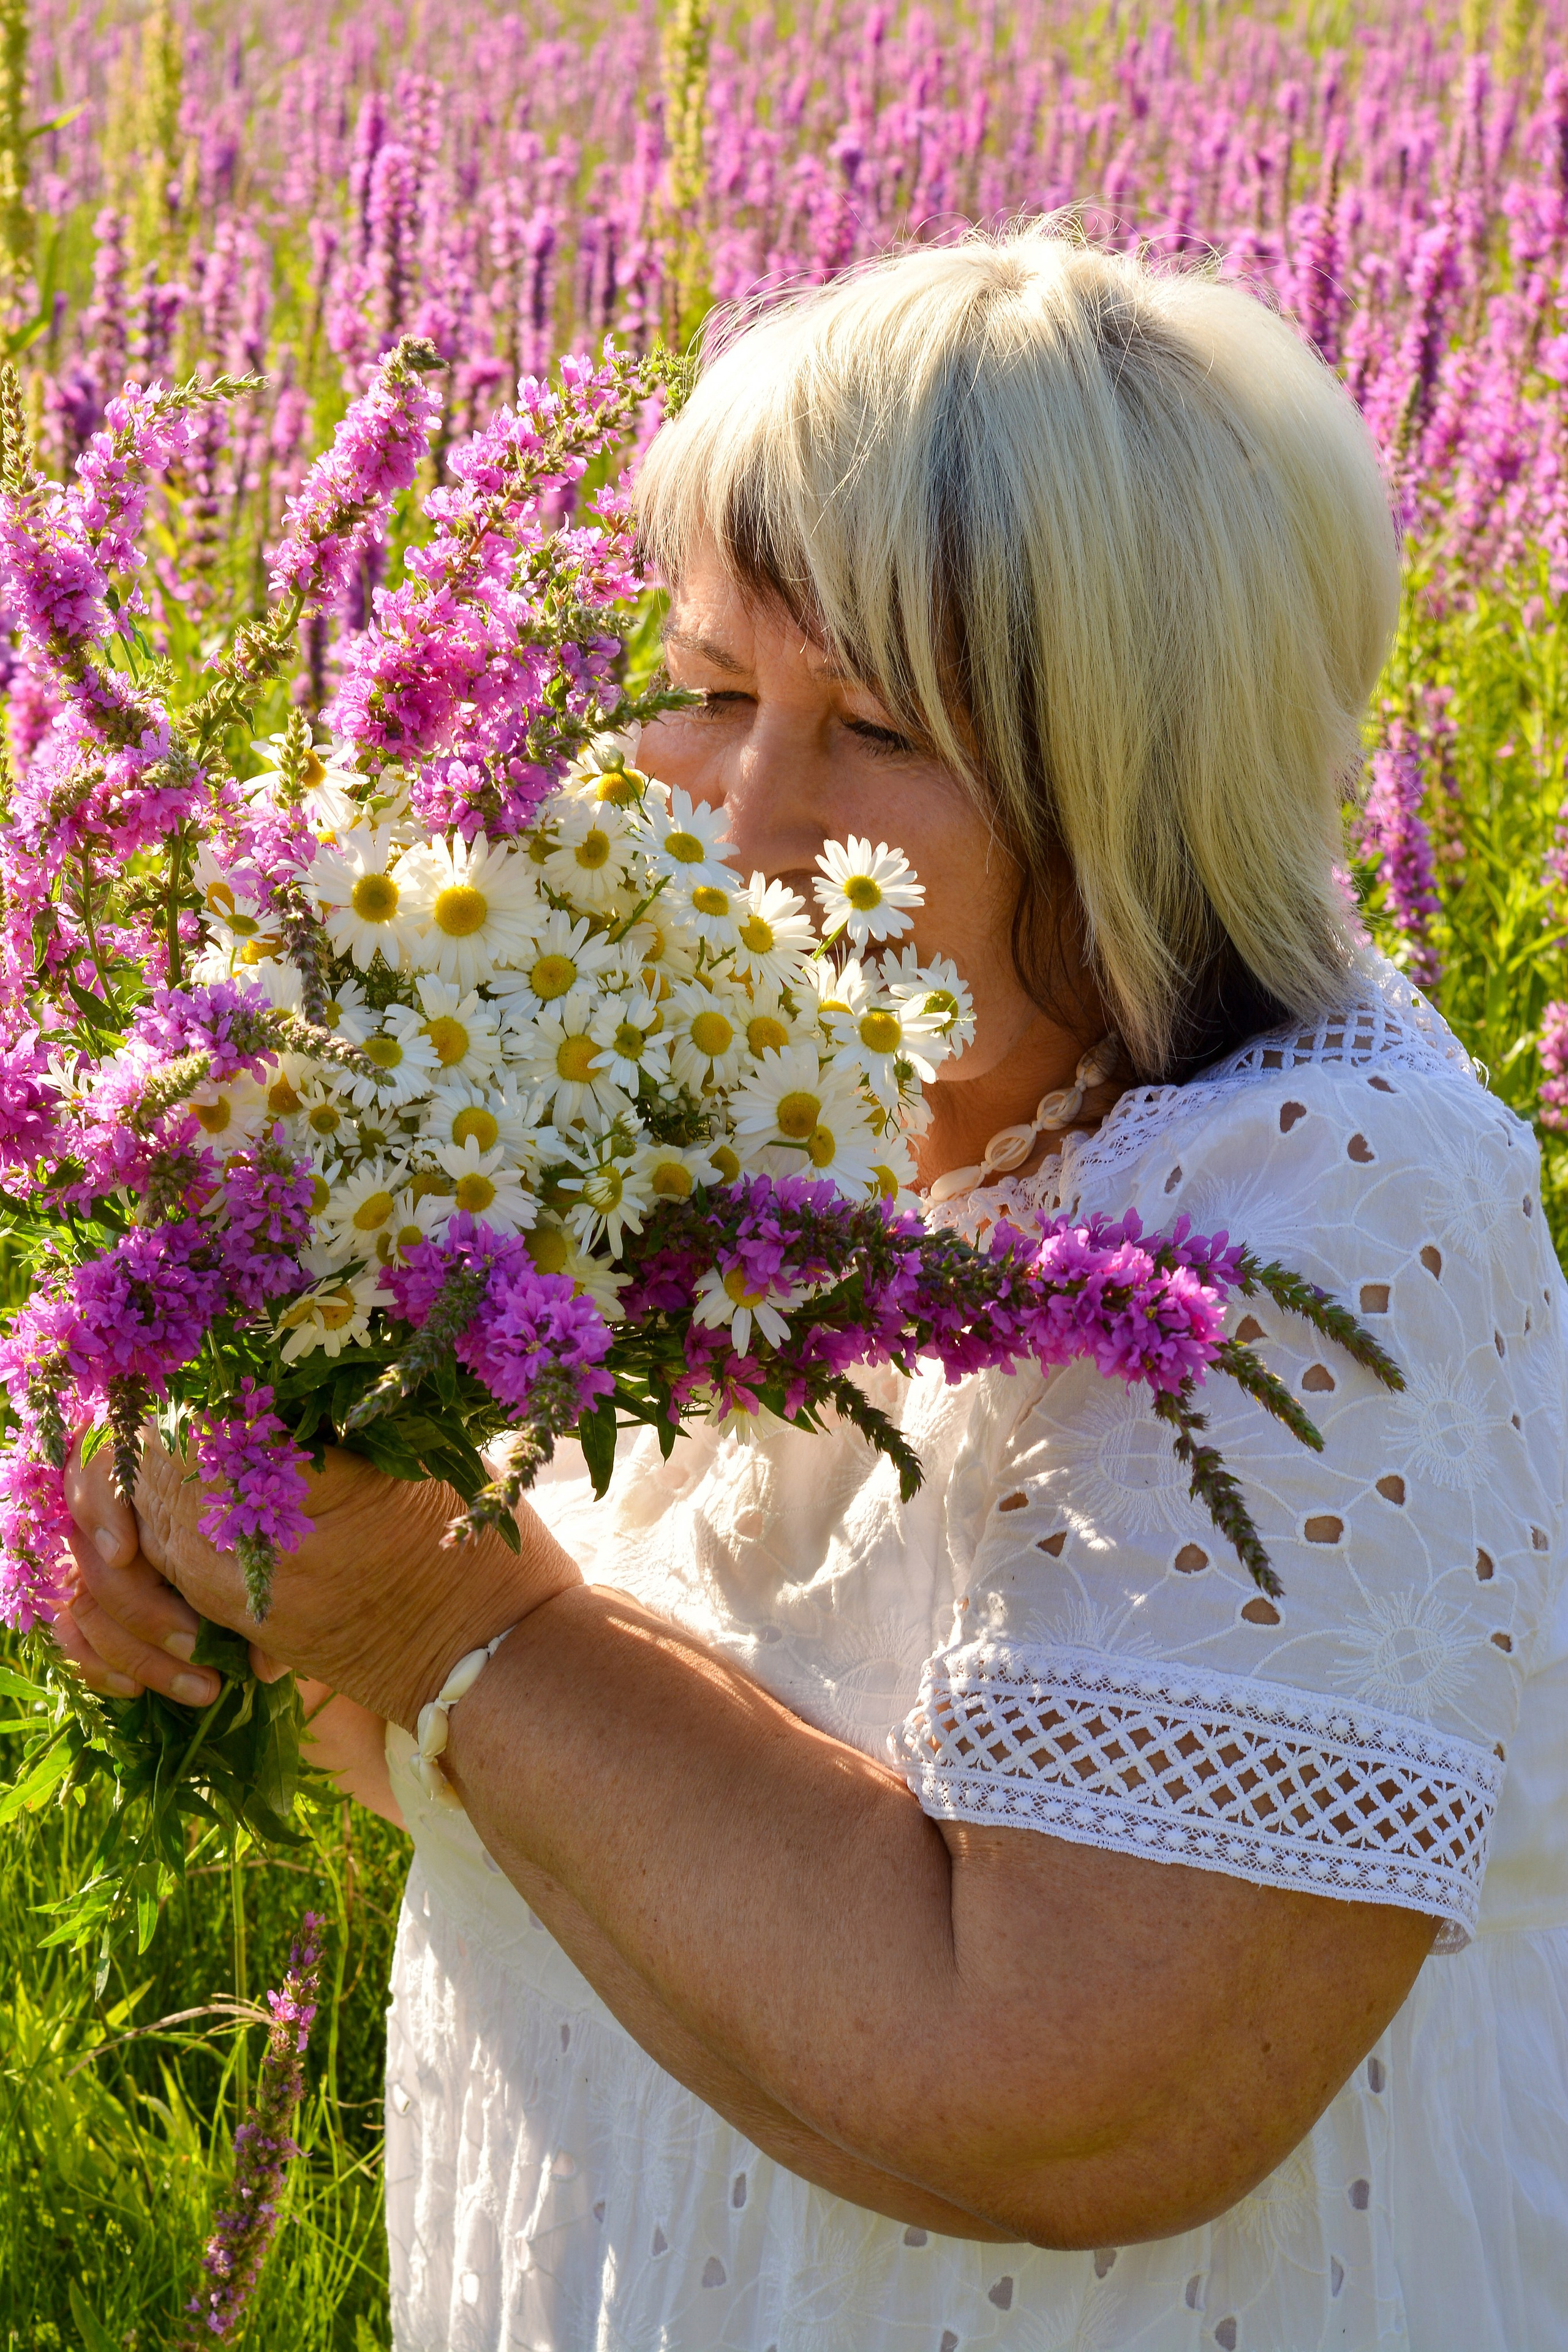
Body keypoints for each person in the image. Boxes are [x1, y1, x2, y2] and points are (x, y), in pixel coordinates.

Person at [58, 226, 1566, 2352]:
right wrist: (240, 1578)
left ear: (1144, 758)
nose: (751, 816)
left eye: (871, 726)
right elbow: (543, 1785)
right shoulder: (738, 1099)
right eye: (704, 690)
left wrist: (429, 1608)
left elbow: (1069, 2103)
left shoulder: (1310, 1204)